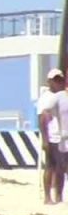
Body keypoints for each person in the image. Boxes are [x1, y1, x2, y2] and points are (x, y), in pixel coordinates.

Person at [37, 68, 67, 204]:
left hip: (63, 138)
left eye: (59, 79)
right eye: (55, 80)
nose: (58, 82)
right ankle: (47, 197)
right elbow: (42, 118)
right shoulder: (47, 97)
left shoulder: (63, 95)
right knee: (50, 167)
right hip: (52, 137)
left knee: (60, 168)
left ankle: (59, 196)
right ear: (49, 81)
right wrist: (45, 139)